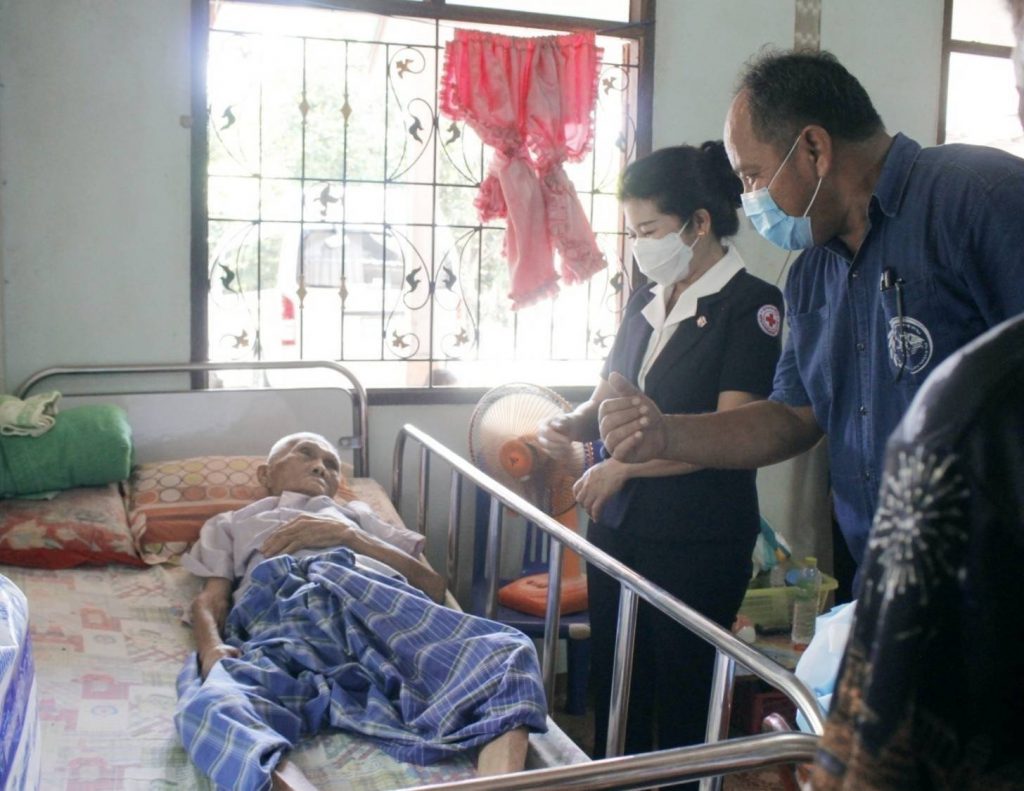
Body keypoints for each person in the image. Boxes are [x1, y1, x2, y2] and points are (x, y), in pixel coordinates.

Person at [598, 50, 1024, 587]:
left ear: (814, 149)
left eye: (753, 175)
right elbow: (791, 417)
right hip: (887, 575)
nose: (749, 199)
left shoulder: (980, 201)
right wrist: (665, 434)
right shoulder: (812, 274)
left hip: (997, 578)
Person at [538, 141, 783, 779]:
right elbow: (609, 390)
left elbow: (732, 432)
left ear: (699, 223)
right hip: (621, 525)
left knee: (681, 692)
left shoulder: (751, 306)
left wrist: (622, 466)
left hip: (697, 536)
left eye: (649, 230)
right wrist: (569, 422)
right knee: (618, 679)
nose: (639, 245)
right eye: (634, 231)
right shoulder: (647, 296)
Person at [174, 432, 547, 791]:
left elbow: (433, 588)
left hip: (374, 606)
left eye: (331, 464)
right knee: (215, 704)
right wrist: (211, 648)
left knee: (507, 651)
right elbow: (211, 600)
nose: (320, 467)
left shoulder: (356, 515)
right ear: (264, 474)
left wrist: (348, 536)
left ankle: (496, 784)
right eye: (305, 453)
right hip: (283, 620)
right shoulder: (232, 522)